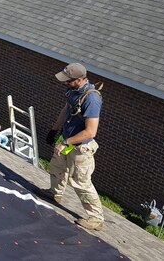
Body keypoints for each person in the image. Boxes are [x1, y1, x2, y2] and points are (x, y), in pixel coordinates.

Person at [38, 63, 105, 231]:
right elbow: (66, 110)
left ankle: (96, 219)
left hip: (81, 148)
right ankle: (55, 193)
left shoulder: (92, 99)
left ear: (80, 80)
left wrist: (66, 142)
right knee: (57, 167)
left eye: (68, 81)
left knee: (81, 182)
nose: (64, 83)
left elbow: (91, 132)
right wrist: (54, 129)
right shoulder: (72, 91)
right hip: (66, 140)